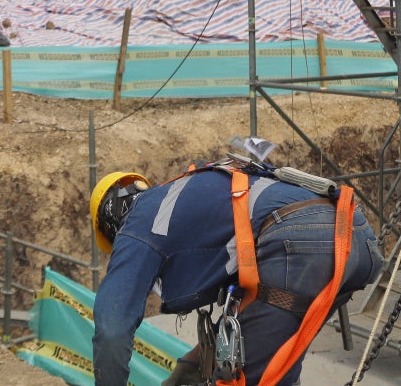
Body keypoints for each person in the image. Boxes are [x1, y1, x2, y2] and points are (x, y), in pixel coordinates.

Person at [90, 160, 384, 386]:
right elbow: (244, 317)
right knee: (273, 367)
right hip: (353, 236)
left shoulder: (138, 226)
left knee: (245, 377)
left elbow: (112, 331)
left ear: (111, 224)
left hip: (303, 244)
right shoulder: (189, 200)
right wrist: (186, 370)